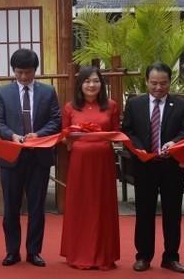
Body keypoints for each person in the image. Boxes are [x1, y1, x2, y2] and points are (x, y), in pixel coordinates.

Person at [122, 62, 184, 274]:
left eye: (163, 83)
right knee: (144, 212)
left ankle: (171, 257)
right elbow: (127, 131)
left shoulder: (180, 105)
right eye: (154, 83)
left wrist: (175, 142)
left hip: (172, 166)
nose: (158, 88)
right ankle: (143, 256)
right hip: (145, 165)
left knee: (173, 213)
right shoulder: (135, 104)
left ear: (169, 83)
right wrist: (139, 149)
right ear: (146, 82)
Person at [0, 49, 60, 267]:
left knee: (37, 207)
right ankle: (12, 251)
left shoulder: (48, 92)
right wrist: (11, 135)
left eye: (28, 72)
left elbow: (56, 120)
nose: (23, 77)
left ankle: (34, 251)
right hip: (12, 156)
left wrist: (38, 135)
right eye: (19, 72)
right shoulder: (3, 92)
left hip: (39, 157)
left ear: (35, 71)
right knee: (11, 207)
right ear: (13, 71)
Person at [60, 66, 120, 269]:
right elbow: (65, 137)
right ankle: (79, 254)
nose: (91, 85)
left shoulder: (111, 106)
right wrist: (75, 136)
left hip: (103, 163)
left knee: (102, 206)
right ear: (80, 84)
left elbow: (116, 134)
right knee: (81, 206)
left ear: (101, 84)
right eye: (87, 81)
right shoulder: (70, 107)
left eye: (95, 81)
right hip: (80, 163)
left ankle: (103, 255)